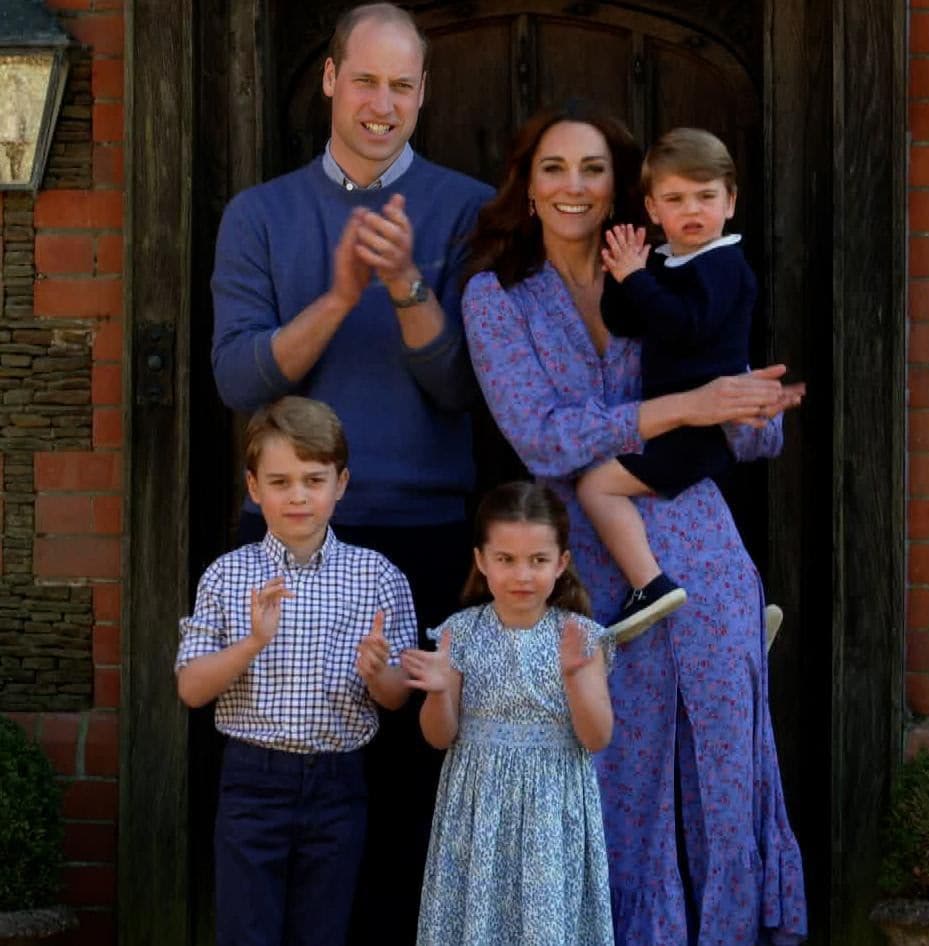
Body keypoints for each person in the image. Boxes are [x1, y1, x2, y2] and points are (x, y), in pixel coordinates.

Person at [461, 100, 808, 945]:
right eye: (554, 168)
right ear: (528, 187)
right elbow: (544, 438)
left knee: (726, 761)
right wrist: (687, 404)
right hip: (591, 567)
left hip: (703, 546)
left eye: (592, 169)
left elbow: (752, 431)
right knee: (615, 768)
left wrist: (751, 407)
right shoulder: (496, 296)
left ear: (625, 190)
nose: (574, 186)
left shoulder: (674, 266)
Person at [209, 5, 493, 942]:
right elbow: (239, 377)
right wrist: (337, 297)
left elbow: (463, 390)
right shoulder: (261, 214)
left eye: (401, 85)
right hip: (292, 536)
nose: (382, 104)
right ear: (329, 79)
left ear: (423, 93)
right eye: (364, 81)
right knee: (294, 781)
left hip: (426, 535)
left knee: (413, 785)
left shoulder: (469, 210)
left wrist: (408, 284)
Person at [174, 397, 415, 946]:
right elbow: (190, 689)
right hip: (252, 783)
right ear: (254, 488)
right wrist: (254, 643)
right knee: (246, 933)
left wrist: (379, 674)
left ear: (341, 483)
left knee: (323, 933)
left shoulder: (376, 576)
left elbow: (398, 697)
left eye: (314, 479)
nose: (299, 496)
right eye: (280, 482)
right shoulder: (228, 575)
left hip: (337, 783)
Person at [401, 481, 615, 946]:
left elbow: (597, 737)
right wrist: (438, 692)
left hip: (552, 810)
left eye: (538, 560)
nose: (522, 574)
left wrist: (577, 678)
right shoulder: (460, 632)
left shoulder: (580, 637)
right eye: (506, 559)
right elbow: (439, 737)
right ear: (481, 560)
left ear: (561, 563)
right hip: (478, 809)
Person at [575, 127, 760, 643]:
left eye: (706, 196)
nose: (692, 210)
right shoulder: (667, 261)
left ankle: (649, 585)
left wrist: (639, 278)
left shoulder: (724, 265)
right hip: (674, 423)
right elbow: (626, 322)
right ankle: (733, 615)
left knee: (596, 485)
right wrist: (622, 274)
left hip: (699, 430)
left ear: (731, 201)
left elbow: (684, 326)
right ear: (654, 210)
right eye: (676, 199)